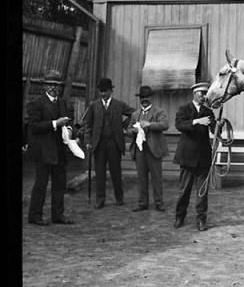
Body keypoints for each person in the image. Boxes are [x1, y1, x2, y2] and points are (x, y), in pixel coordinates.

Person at [26, 70, 75, 225]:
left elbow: (67, 123)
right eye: (50, 84)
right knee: (41, 183)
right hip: (43, 150)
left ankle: (58, 215)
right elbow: (34, 126)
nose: (53, 88)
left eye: (56, 85)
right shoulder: (36, 103)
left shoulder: (61, 102)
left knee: (59, 184)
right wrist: (55, 124)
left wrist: (69, 131)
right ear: (44, 86)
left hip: (59, 149)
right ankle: (35, 216)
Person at [84, 78, 135, 209]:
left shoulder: (119, 105)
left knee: (116, 171)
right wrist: (88, 141)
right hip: (99, 144)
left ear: (111, 91)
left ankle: (119, 197)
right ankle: (100, 199)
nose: (103, 94)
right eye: (101, 91)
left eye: (105, 91)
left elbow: (134, 114)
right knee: (100, 172)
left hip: (114, 143)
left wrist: (123, 126)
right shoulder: (93, 105)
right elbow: (87, 125)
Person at [173, 82, 215, 231]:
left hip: (203, 157)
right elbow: (179, 125)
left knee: (202, 191)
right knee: (184, 189)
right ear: (194, 94)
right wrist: (196, 121)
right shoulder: (184, 109)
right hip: (187, 156)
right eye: (201, 93)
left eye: (205, 94)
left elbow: (215, 130)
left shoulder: (209, 112)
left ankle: (201, 219)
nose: (204, 96)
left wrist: (220, 126)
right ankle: (179, 216)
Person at [125, 86, 169, 212]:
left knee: (156, 178)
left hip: (154, 149)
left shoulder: (158, 112)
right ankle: (142, 203)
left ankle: (159, 203)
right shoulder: (135, 114)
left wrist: (149, 124)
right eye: (142, 97)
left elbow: (165, 125)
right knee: (141, 178)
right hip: (140, 150)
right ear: (140, 99)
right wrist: (134, 130)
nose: (145, 100)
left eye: (147, 97)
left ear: (151, 98)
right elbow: (128, 130)